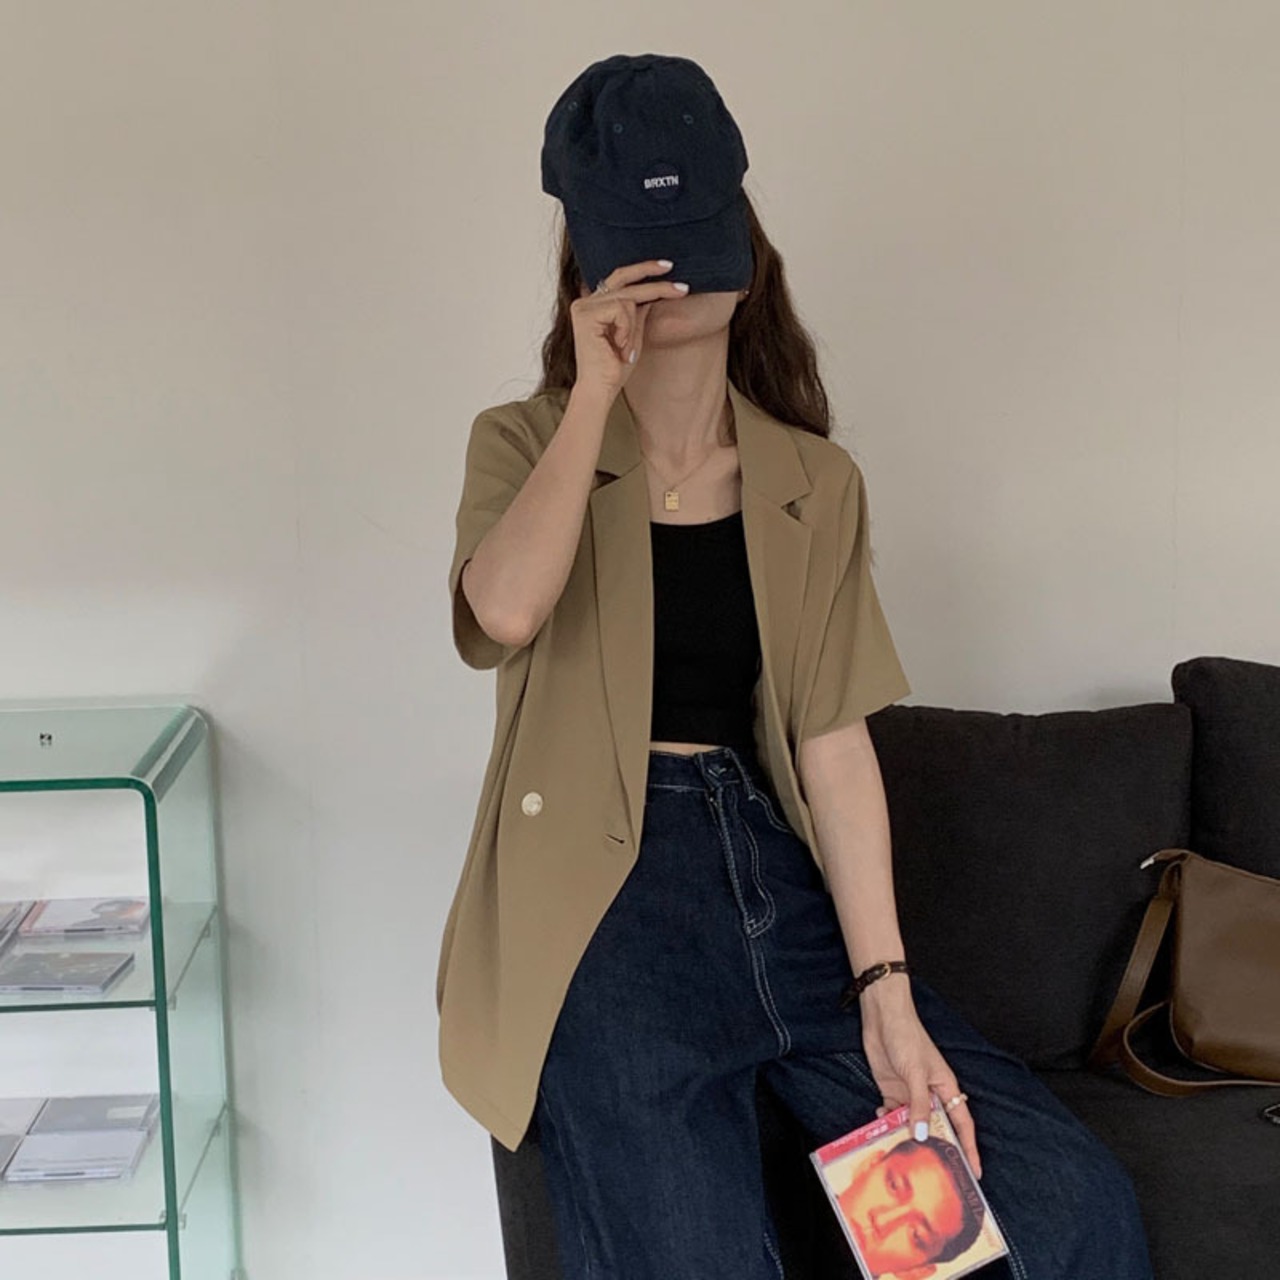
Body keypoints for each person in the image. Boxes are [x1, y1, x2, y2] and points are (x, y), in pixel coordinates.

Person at [442, 52, 1156, 1280]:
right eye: (640, 247)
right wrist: (590, 397)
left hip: (777, 887)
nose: (670, 277)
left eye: (689, 238)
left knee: (1054, 1208)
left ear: (741, 243)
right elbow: (504, 611)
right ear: (588, 260)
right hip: (604, 915)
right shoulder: (524, 443)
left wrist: (885, 989)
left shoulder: (811, 481)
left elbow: (829, 742)